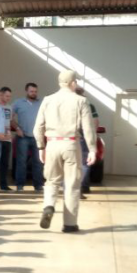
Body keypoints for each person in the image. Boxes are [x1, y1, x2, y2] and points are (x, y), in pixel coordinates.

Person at [34, 70, 96, 232]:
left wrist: (41, 146)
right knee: (72, 185)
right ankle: (69, 224)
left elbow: (38, 126)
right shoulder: (81, 101)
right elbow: (88, 128)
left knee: (51, 181)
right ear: (73, 83)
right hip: (71, 144)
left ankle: (48, 205)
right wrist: (92, 149)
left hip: (52, 144)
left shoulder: (47, 100)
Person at [12, 83, 44, 192]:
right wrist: (17, 128)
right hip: (23, 137)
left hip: (37, 137)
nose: (34, 93)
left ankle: (38, 185)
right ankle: (20, 185)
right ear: (26, 91)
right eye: (31, 91)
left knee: (38, 162)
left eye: (35, 91)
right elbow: (9, 118)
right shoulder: (18, 103)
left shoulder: (41, 103)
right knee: (21, 162)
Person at [74, 86, 99, 196]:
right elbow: (95, 122)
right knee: (85, 162)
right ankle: (83, 186)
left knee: (70, 162)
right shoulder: (89, 105)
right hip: (84, 136)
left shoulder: (68, 104)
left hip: (69, 136)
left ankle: (72, 188)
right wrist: (93, 135)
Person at [0, 87, 15, 191]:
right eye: (7, 96)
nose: (8, 98)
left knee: (5, 162)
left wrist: (16, 129)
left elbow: (10, 121)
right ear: (2, 95)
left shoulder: (9, 107)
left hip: (7, 139)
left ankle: (3, 184)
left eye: (10, 96)